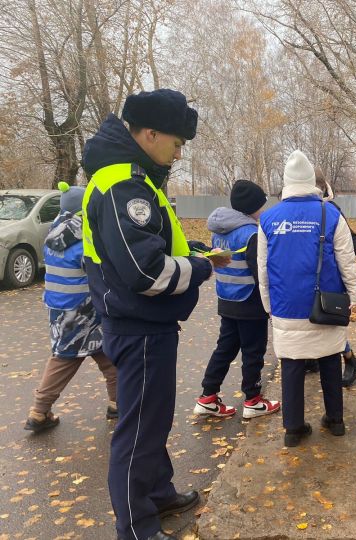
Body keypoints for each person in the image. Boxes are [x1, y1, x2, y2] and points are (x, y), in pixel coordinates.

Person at [81, 89, 228, 540]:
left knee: (154, 418)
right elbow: (147, 272)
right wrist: (202, 267)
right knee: (139, 431)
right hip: (138, 326)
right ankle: (137, 527)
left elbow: (153, 247)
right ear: (149, 133)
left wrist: (198, 251)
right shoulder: (124, 184)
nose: (179, 153)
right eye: (177, 143)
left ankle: (158, 493)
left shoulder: (138, 178)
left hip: (148, 325)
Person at [258, 150, 356, 447]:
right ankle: (336, 420)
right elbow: (346, 261)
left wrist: (268, 305)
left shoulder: (268, 219)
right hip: (326, 305)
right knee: (330, 360)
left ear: (287, 182)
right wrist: (352, 296)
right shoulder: (331, 215)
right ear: (311, 181)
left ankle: (293, 428)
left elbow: (263, 269)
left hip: (285, 305)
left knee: (291, 366)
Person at [24, 182, 118, 433]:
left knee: (102, 355)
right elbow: (99, 273)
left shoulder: (54, 234)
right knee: (76, 359)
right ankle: (40, 411)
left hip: (60, 310)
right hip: (83, 313)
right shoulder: (82, 238)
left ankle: (116, 403)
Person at [193, 180, 280, 419]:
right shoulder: (251, 234)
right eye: (261, 205)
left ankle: (208, 396)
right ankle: (252, 399)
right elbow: (260, 271)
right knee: (253, 351)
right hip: (250, 303)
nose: (263, 210)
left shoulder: (219, 230)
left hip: (227, 299)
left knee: (225, 348)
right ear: (253, 207)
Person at [311, 168, 356, 386]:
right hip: (317, 277)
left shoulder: (329, 210)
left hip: (328, 279)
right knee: (321, 323)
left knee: (328, 324)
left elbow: (347, 238)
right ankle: (347, 360)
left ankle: (350, 360)